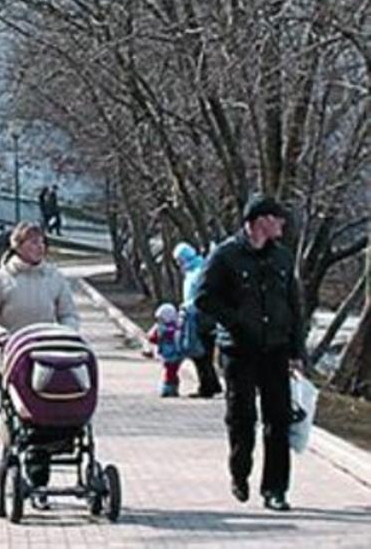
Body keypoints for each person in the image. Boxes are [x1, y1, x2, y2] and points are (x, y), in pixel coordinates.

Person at [194, 195, 305, 512]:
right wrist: (235, 322)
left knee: (279, 419)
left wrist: (297, 351)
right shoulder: (226, 256)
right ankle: (240, 472)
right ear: (260, 221)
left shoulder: (283, 258)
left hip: (276, 349)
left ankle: (275, 489)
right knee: (242, 417)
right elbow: (203, 298)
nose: (282, 223)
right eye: (277, 218)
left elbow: (294, 307)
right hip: (240, 350)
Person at [0, 221, 79, 508]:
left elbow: (68, 313)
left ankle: (52, 462)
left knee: (56, 409)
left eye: (41, 242)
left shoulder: (53, 277)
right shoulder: (2, 280)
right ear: (17, 246)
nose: (39, 247)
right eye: (32, 242)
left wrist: (67, 333)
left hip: (49, 355)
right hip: (13, 358)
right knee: (24, 418)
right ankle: (31, 475)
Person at [173, 241, 222, 398]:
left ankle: (207, 387)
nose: (178, 264)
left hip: (200, 317)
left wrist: (186, 309)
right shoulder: (197, 268)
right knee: (203, 352)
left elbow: (197, 297)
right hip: (201, 315)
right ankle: (212, 383)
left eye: (178, 260)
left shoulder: (196, 272)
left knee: (199, 352)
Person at [147, 303, 183, 397]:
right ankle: (173, 388)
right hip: (175, 353)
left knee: (169, 372)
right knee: (172, 371)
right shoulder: (177, 327)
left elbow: (152, 337)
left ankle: (168, 388)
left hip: (169, 354)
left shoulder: (162, 328)